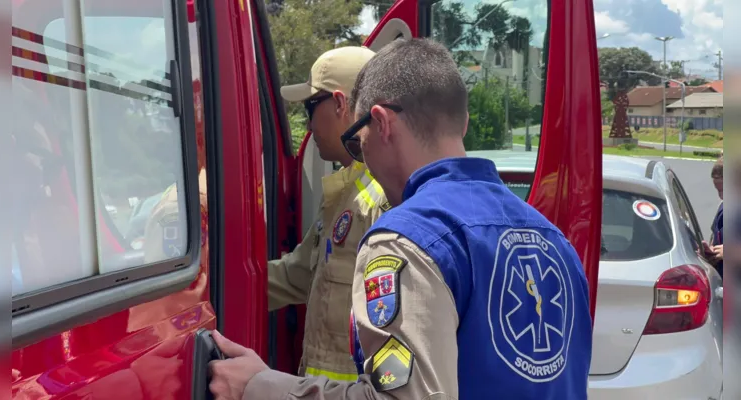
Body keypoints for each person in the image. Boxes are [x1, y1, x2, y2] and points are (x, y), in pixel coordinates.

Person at [207, 38, 593, 400]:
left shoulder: (405, 239)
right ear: (463, 123)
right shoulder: (554, 241)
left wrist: (260, 387)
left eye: (357, 142)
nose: (362, 157)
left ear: (382, 123)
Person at [264, 46, 390, 381]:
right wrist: (217, 288)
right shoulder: (346, 191)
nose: (306, 125)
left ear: (339, 103)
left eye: (310, 107)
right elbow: (300, 275)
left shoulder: (382, 199)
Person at [703, 156, 723, 277]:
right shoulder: (723, 209)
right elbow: (715, 237)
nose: (721, 196)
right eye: (718, 191)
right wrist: (712, 252)